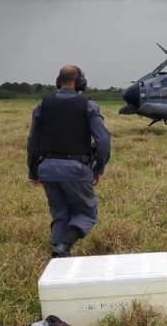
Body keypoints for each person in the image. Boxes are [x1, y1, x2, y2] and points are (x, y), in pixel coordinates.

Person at [27, 65, 111, 257]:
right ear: (80, 82)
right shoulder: (88, 105)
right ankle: (64, 245)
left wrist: (33, 170)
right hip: (76, 169)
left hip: (46, 169)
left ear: (59, 81)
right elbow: (103, 141)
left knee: (60, 215)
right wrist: (99, 168)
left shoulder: (42, 105)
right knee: (87, 214)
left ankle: (58, 257)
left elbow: (33, 141)